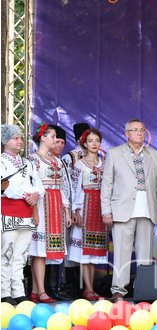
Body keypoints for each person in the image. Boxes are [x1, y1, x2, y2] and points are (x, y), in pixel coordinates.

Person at [101, 119, 157, 301]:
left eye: (142, 130)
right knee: (121, 253)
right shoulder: (114, 153)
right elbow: (107, 184)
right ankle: (118, 290)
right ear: (126, 133)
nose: (139, 133)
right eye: (135, 130)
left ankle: (144, 290)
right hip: (122, 209)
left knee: (145, 254)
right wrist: (106, 210)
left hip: (147, 209)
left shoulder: (153, 155)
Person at [28, 123, 72, 303]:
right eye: (53, 136)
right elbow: (31, 188)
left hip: (55, 206)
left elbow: (62, 187)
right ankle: (41, 291)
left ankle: (35, 290)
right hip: (41, 205)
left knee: (47, 249)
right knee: (39, 250)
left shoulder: (57, 161)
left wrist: (66, 211)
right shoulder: (33, 160)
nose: (55, 140)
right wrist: (34, 212)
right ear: (43, 137)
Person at [1, 125, 43, 304]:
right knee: (6, 253)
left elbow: (39, 184)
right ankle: (4, 292)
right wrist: (26, 194)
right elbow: (4, 187)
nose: (20, 141)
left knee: (21, 255)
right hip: (8, 211)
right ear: (5, 141)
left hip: (26, 212)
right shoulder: (1, 162)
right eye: (15, 138)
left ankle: (18, 291)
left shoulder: (28, 163)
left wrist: (36, 194)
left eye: (21, 138)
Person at [66, 128, 108, 300]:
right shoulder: (79, 164)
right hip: (85, 205)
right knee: (85, 251)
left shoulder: (104, 164)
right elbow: (74, 188)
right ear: (85, 143)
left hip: (100, 207)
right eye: (90, 141)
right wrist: (76, 210)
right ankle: (88, 289)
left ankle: (91, 289)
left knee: (94, 251)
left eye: (97, 140)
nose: (94, 144)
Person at [61, 122, 91, 298]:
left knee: (87, 248)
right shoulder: (70, 158)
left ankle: (87, 286)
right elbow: (68, 186)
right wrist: (72, 210)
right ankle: (71, 286)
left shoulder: (96, 157)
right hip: (74, 209)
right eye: (85, 137)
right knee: (71, 247)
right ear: (79, 139)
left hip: (91, 208)